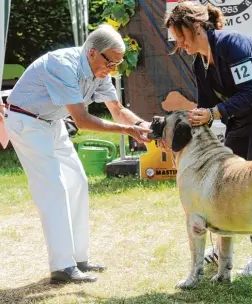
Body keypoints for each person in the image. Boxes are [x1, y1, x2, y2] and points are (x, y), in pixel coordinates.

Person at [164, 2, 252, 275]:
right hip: (243, 115)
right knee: (226, 176)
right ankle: (220, 251)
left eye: (180, 36)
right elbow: (206, 105)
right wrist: (195, 122)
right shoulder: (199, 63)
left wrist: (213, 113)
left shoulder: (233, 44)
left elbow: (249, 93)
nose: (179, 44)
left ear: (196, 27)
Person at [0, 24, 152, 284]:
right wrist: (128, 130)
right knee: (54, 189)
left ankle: (79, 260)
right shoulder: (63, 65)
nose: (112, 70)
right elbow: (81, 120)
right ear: (93, 52)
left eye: (117, 64)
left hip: (52, 122)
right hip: (26, 122)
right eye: (110, 62)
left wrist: (145, 127)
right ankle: (62, 267)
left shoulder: (100, 72)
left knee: (78, 182)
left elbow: (116, 110)